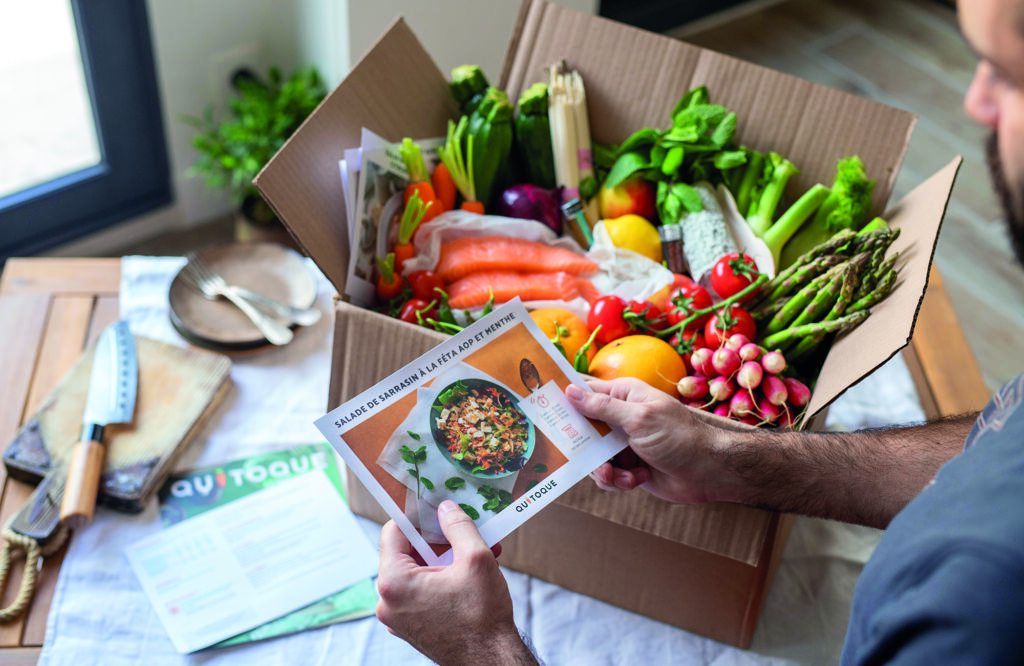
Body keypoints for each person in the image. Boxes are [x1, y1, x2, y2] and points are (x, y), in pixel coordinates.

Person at [375, 0, 1024, 662]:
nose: (973, 100)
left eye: (1006, 71)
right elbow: (996, 446)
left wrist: (480, 648)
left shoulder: (974, 613)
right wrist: (736, 459)